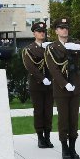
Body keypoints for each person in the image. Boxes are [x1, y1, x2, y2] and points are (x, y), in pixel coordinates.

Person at [45, 18, 80, 159]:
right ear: (56, 31)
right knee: (63, 119)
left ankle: (73, 147)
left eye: (66, 27)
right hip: (61, 88)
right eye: (61, 28)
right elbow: (53, 69)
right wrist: (64, 83)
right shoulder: (51, 47)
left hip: (75, 86)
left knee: (74, 118)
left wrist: (79, 47)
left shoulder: (75, 43)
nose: (64, 30)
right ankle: (64, 148)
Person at [22, 21, 55, 149]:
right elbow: (31, 67)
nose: (42, 33)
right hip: (37, 85)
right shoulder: (29, 49)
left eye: (43, 32)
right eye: (39, 31)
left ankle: (47, 136)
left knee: (48, 111)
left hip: (50, 84)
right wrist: (42, 78)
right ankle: (40, 138)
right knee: (39, 111)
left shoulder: (49, 48)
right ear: (34, 33)